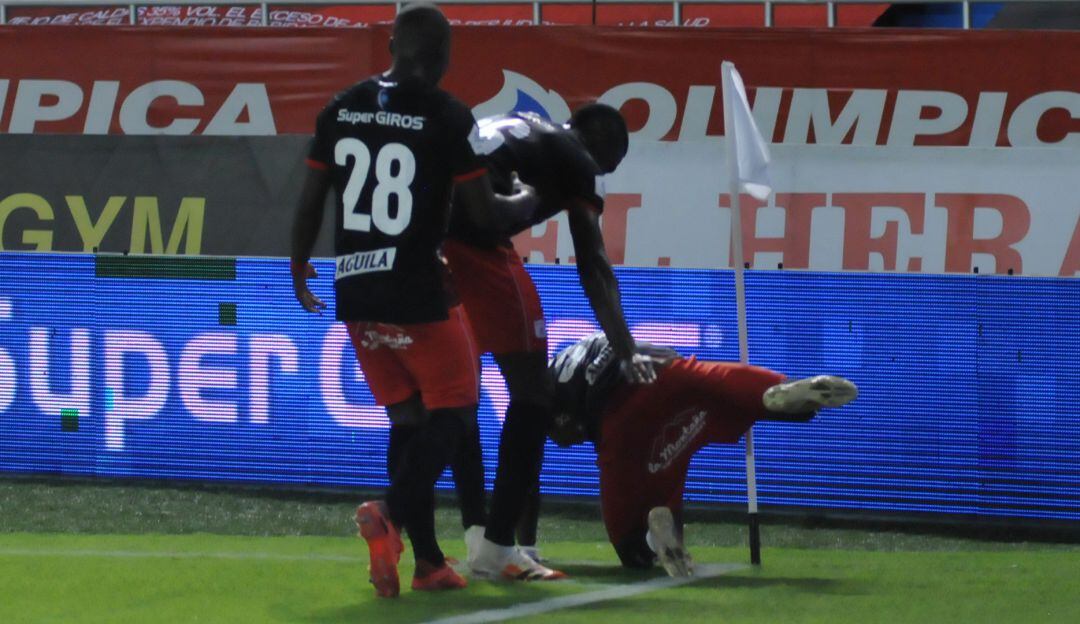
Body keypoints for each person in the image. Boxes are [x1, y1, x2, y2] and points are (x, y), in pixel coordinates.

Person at [289, 3, 536, 598]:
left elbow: (313, 195)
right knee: (457, 411)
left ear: (392, 45)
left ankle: (426, 562)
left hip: (354, 287)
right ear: (445, 58)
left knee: (408, 418)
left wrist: (298, 264)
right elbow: (484, 214)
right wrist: (530, 198)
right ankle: (391, 513)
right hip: (417, 289)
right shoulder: (448, 115)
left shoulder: (340, 106)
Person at [385, 105, 658, 581]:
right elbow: (593, 265)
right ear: (602, 145)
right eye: (609, 165)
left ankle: (450, 542)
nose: (604, 175)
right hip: (474, 243)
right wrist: (625, 346)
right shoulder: (579, 159)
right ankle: (496, 547)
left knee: (453, 397)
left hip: (418, 240)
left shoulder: (519, 123)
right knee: (534, 393)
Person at [533, 332, 858, 576]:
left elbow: (562, 435)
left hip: (620, 420)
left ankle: (651, 540)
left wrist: (526, 546)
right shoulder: (592, 343)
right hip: (668, 375)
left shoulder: (543, 388)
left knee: (632, 548)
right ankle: (774, 391)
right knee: (720, 392)